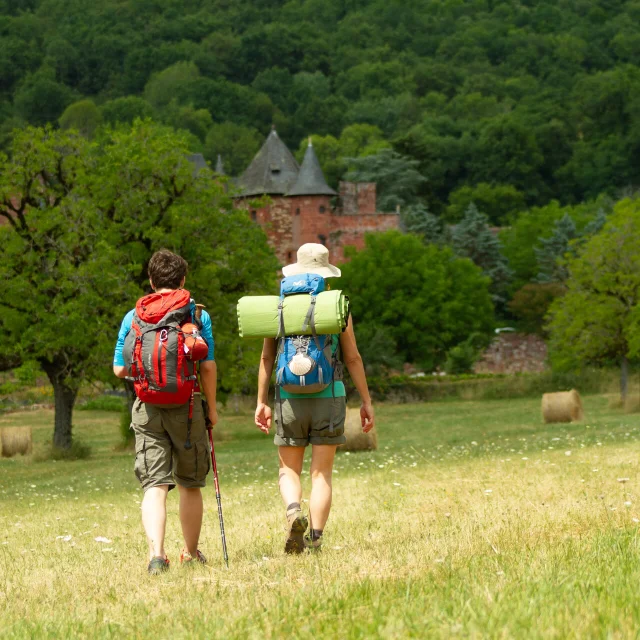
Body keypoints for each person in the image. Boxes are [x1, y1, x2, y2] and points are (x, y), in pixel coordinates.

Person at [254, 243, 375, 553]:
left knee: (288, 470)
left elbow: (268, 358)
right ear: (325, 275)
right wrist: (366, 401)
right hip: (329, 395)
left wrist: (261, 401)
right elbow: (353, 358)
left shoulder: (277, 307)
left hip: (288, 398)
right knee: (321, 472)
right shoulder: (336, 306)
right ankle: (315, 538)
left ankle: (294, 510)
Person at [113, 249, 218, 574]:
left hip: (147, 408)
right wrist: (211, 409)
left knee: (154, 484)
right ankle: (190, 552)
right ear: (183, 279)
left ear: (151, 280)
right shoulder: (197, 314)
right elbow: (208, 366)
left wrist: (148, 377)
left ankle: (157, 556)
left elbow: (119, 368)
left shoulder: (134, 317)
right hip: (187, 406)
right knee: (189, 482)